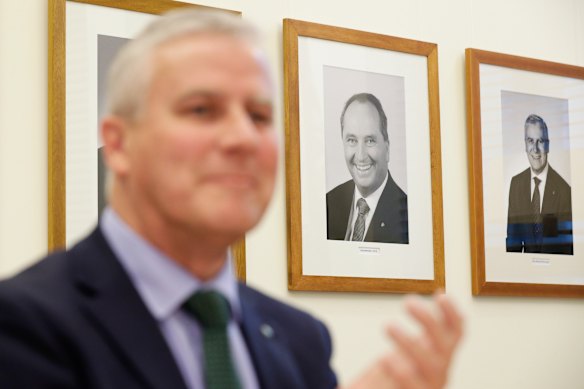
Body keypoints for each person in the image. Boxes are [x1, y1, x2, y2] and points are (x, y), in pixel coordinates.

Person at [0, 9, 462, 389]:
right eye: (202, 110)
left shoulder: (302, 340)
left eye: (259, 116)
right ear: (118, 145)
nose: (243, 137)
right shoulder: (23, 328)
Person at [327, 93, 408, 244]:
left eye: (370, 140)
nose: (361, 155)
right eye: (352, 140)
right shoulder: (329, 204)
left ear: (387, 148)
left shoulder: (407, 217)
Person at [506, 114, 573, 255]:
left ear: (548, 145)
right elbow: (513, 244)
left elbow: (565, 249)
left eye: (540, 141)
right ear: (525, 144)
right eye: (530, 141)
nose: (535, 149)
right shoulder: (516, 185)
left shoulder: (564, 191)